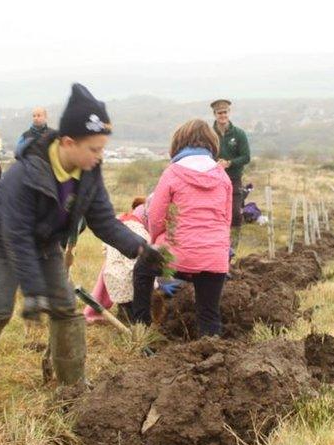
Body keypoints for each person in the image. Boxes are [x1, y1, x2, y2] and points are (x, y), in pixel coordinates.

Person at [0, 83, 165, 402]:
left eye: (102, 149)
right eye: (94, 149)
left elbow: (103, 220)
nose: (99, 156)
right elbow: (17, 237)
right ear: (68, 142)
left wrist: (141, 249)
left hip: (45, 241)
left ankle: (73, 385)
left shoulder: (89, 172)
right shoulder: (26, 174)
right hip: (1, 238)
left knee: (65, 308)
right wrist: (33, 291)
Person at [132, 119, 233, 337]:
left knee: (142, 268)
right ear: (212, 144)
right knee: (209, 314)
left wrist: (156, 241)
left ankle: (141, 328)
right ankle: (212, 349)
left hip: (177, 257)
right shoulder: (223, 177)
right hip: (214, 259)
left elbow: (156, 218)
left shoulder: (172, 172)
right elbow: (226, 221)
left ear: (179, 143)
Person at [83, 197, 151, 323]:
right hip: (134, 286)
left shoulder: (119, 227)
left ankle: (123, 312)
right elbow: (140, 268)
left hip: (113, 282)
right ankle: (134, 319)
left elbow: (105, 250)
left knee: (125, 297)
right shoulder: (142, 235)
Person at [211, 99, 250, 256]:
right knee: (215, 213)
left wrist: (229, 163)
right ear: (214, 114)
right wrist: (215, 163)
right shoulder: (209, 134)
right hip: (214, 180)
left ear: (229, 113)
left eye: (225, 112)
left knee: (235, 213)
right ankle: (216, 246)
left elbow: (246, 157)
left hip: (234, 179)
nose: (223, 115)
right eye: (219, 113)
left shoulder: (239, 134)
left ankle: (233, 248)